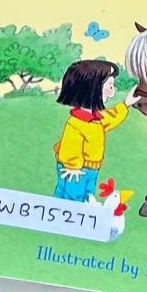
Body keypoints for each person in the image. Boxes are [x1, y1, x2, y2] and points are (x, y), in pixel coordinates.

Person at [52, 59, 133, 202]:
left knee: (87, 197)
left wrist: (126, 104)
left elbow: (110, 118)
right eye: (110, 85)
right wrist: (72, 166)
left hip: (91, 169)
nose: (113, 90)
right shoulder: (76, 123)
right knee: (71, 198)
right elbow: (70, 146)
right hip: (75, 170)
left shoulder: (96, 119)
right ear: (93, 88)